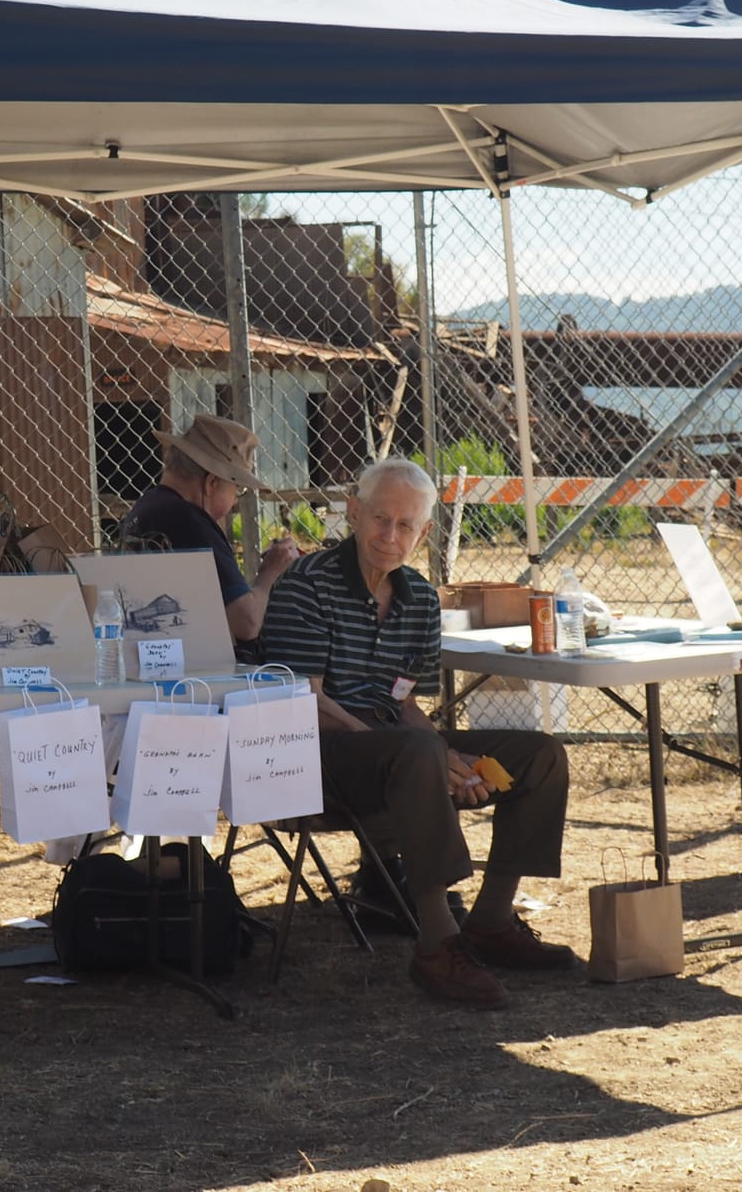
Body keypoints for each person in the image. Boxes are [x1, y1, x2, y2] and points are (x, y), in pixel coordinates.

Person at [260, 457, 573, 1008]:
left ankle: (492, 922)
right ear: (353, 513)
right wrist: (419, 750)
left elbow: (404, 704)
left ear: (424, 533)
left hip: (397, 753)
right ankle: (437, 944)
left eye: (405, 526)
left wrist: (448, 754)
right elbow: (301, 700)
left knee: (541, 755)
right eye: (380, 518)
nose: (389, 535)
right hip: (314, 756)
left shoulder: (421, 600)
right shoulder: (304, 586)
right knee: (415, 751)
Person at [117, 414, 298, 657]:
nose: (235, 502)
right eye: (237, 489)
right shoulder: (189, 519)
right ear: (211, 483)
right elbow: (247, 623)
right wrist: (270, 572)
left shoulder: (146, 507)